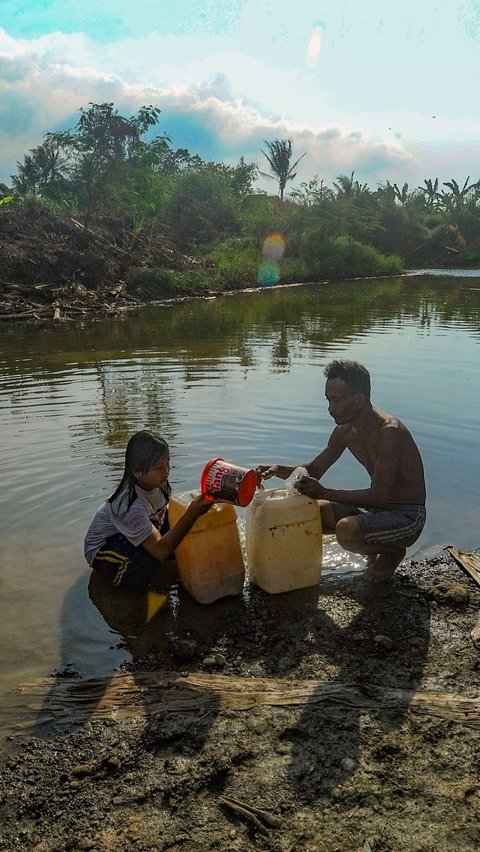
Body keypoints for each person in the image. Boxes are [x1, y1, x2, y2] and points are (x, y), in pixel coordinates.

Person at [257, 360, 426, 583]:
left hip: (406, 516)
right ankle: (373, 548)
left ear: (358, 400)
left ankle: (391, 552)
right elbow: (315, 470)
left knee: (346, 530)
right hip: (376, 510)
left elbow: (380, 496)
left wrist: (326, 493)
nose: (330, 407)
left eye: (336, 401)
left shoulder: (389, 433)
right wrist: (278, 470)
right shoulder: (344, 431)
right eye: (328, 400)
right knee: (311, 511)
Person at [84, 430, 214, 589]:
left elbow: (166, 510)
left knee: (184, 534)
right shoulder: (130, 505)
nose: (166, 472)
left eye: (168, 463)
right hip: (104, 547)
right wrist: (191, 513)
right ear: (137, 471)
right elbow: (160, 551)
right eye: (159, 467)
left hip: (140, 526)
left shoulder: (159, 482)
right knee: (147, 564)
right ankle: (120, 589)